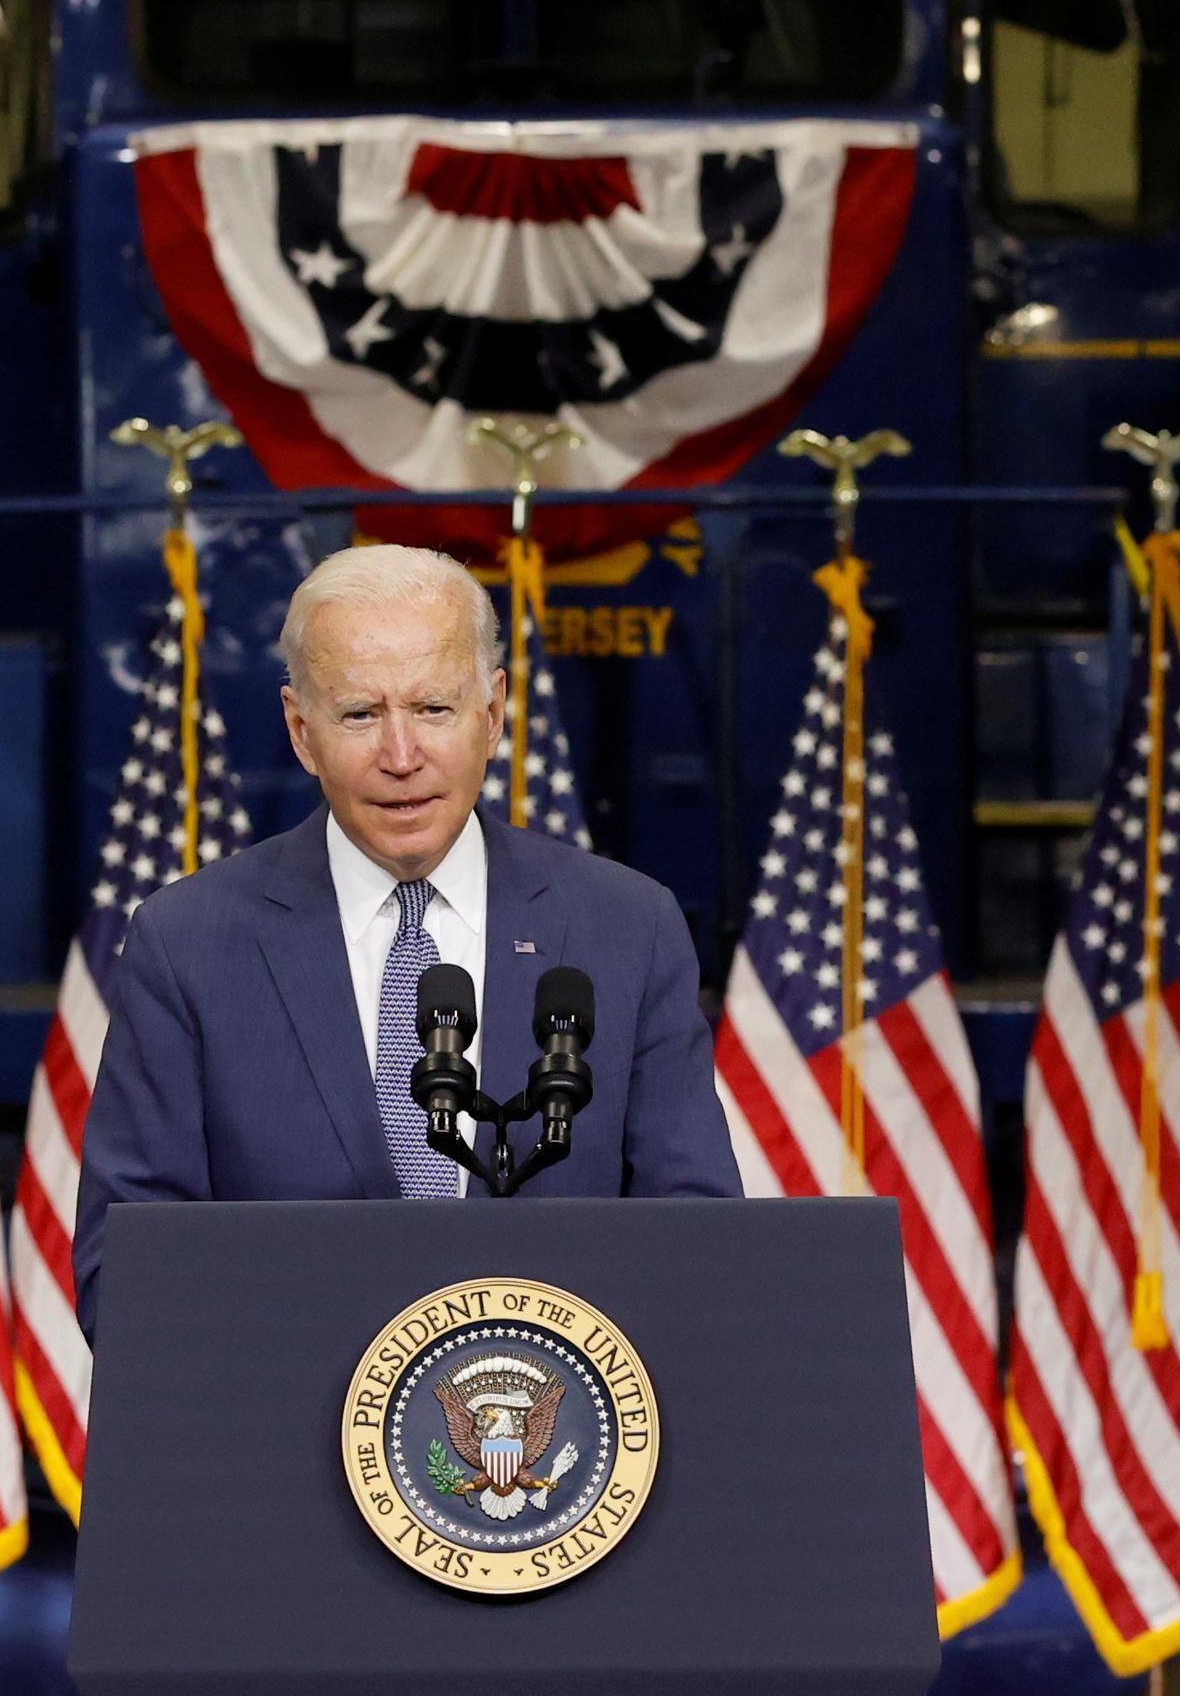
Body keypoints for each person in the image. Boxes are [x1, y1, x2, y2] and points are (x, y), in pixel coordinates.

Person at [73, 540, 739, 1323]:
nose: (401, 756)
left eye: (433, 709)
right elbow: (128, 1274)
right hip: (286, 1436)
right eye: (360, 714)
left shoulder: (626, 929)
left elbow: (698, 1247)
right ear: (299, 730)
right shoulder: (188, 943)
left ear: (491, 716)